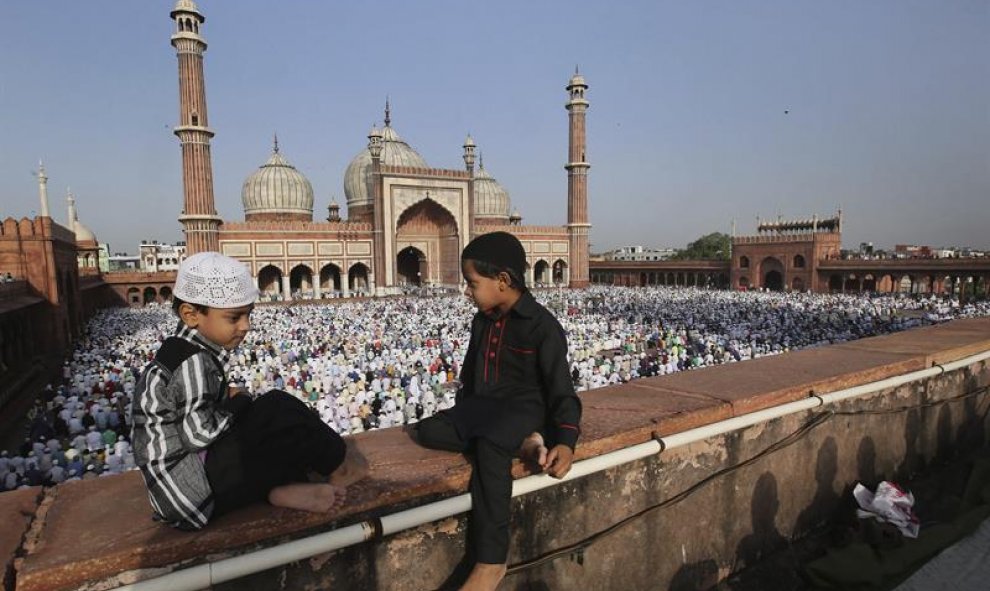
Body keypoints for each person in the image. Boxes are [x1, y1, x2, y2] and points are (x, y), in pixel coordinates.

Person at [130, 252, 363, 531]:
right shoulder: (192, 361)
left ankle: (277, 490)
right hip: (195, 495)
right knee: (276, 407)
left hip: (183, 497)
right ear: (191, 315)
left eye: (248, 315)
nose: (246, 326)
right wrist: (239, 402)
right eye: (234, 317)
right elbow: (197, 435)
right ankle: (341, 467)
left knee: (263, 427)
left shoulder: (182, 351)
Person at [415, 232, 582, 591]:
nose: (468, 291)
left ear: (503, 281)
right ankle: (523, 443)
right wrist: (463, 416)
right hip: (485, 408)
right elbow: (471, 377)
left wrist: (566, 441)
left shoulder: (541, 326)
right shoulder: (483, 321)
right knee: (427, 430)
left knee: (490, 447)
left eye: (473, 283)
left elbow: (562, 391)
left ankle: (491, 562)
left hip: (524, 408)